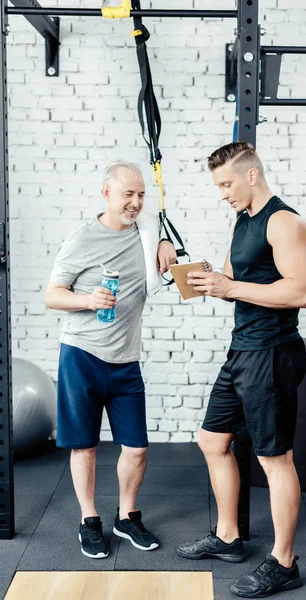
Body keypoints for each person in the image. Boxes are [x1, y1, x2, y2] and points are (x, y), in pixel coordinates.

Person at [176, 142, 306, 598]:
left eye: (226, 184)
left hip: (272, 353)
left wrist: (230, 285)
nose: (222, 194)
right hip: (243, 349)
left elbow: (300, 293)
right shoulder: (244, 220)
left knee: (276, 460)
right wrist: (203, 278)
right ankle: (229, 536)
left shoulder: (284, 222)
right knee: (212, 440)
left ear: (251, 176)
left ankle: (284, 563)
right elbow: (240, 278)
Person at [45, 161, 176, 559]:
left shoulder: (147, 232)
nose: (135, 202)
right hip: (81, 355)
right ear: (107, 193)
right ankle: (89, 520)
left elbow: (165, 240)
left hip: (125, 360)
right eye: (127, 194)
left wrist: (168, 246)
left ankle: (126, 516)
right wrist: (87, 300)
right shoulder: (82, 238)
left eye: (140, 194)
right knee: (84, 446)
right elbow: (52, 295)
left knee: (135, 448)